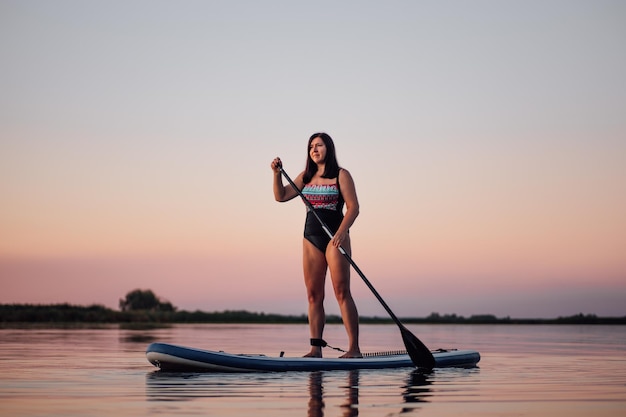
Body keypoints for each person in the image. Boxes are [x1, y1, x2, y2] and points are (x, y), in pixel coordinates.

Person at [271, 132, 362, 358]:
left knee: (341, 291)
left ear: (328, 149)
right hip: (310, 236)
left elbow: (354, 208)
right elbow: (281, 196)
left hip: (335, 236)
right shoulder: (305, 177)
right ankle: (315, 349)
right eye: (311, 146)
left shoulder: (341, 175)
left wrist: (341, 233)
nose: (314, 149)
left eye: (319, 145)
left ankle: (354, 349)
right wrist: (276, 174)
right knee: (313, 295)